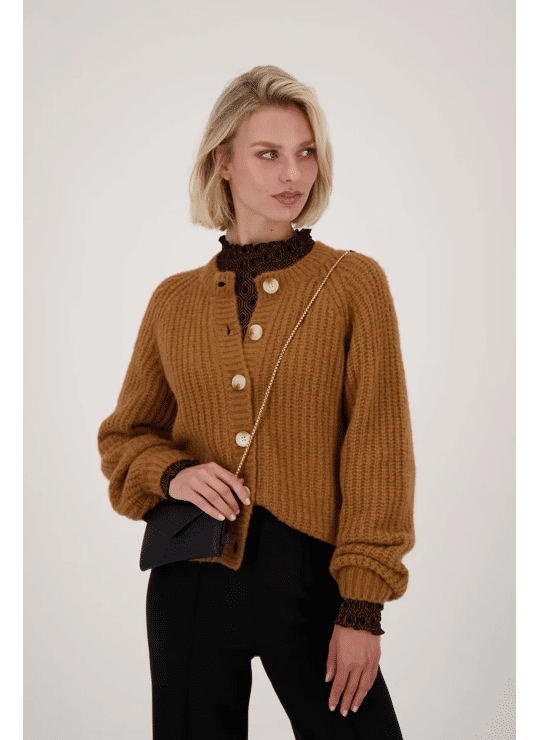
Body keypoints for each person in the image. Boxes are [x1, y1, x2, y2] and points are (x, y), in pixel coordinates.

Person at [97, 64, 416, 739]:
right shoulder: (173, 300)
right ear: (223, 162)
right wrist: (173, 473)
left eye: (306, 153)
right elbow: (125, 436)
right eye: (268, 154)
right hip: (190, 580)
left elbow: (378, 451)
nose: (292, 174)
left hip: (311, 579)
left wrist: (361, 609)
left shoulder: (354, 284)